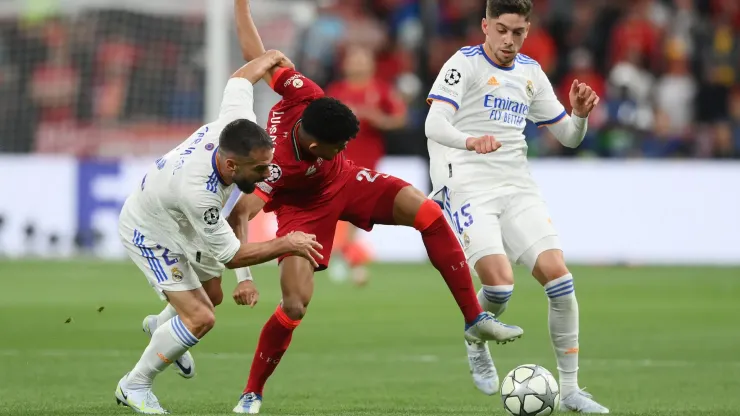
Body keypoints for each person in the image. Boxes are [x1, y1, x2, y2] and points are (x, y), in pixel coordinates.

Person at [230, 1, 524, 414]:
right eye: (338, 146)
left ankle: (475, 320)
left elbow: (258, 59)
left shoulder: (307, 93)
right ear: (316, 148)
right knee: (295, 304)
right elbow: (239, 215)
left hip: (346, 181)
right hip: (302, 212)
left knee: (427, 213)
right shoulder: (275, 166)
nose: (345, 146)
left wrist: (241, 7)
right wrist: (243, 277)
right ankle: (252, 393)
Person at [114, 50, 322, 415]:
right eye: (259, 169)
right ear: (230, 164)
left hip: (176, 217)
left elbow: (240, 79)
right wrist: (287, 243)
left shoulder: (237, 124)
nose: (266, 175)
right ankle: (135, 384)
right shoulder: (202, 193)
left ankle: (160, 328)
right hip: (151, 232)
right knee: (201, 317)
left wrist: (269, 55)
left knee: (212, 295)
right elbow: (231, 255)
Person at [424, 0, 608, 413]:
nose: (509, 40)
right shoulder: (463, 64)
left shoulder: (530, 73)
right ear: (485, 26)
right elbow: (433, 124)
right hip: (467, 183)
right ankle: (475, 339)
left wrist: (578, 116)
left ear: (528, 30)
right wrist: (471, 141)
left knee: (560, 280)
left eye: (518, 32)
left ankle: (571, 390)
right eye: (502, 30)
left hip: (516, 185)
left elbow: (568, 137)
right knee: (500, 287)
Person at [325, 44, 408, 286]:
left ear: (371, 64)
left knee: (353, 212)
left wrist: (378, 119)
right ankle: (348, 259)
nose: (358, 64)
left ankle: (347, 258)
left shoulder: (380, 90)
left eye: (363, 59)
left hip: (367, 164)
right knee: (347, 212)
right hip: (336, 161)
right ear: (346, 64)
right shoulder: (336, 91)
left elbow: (400, 118)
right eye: (354, 59)